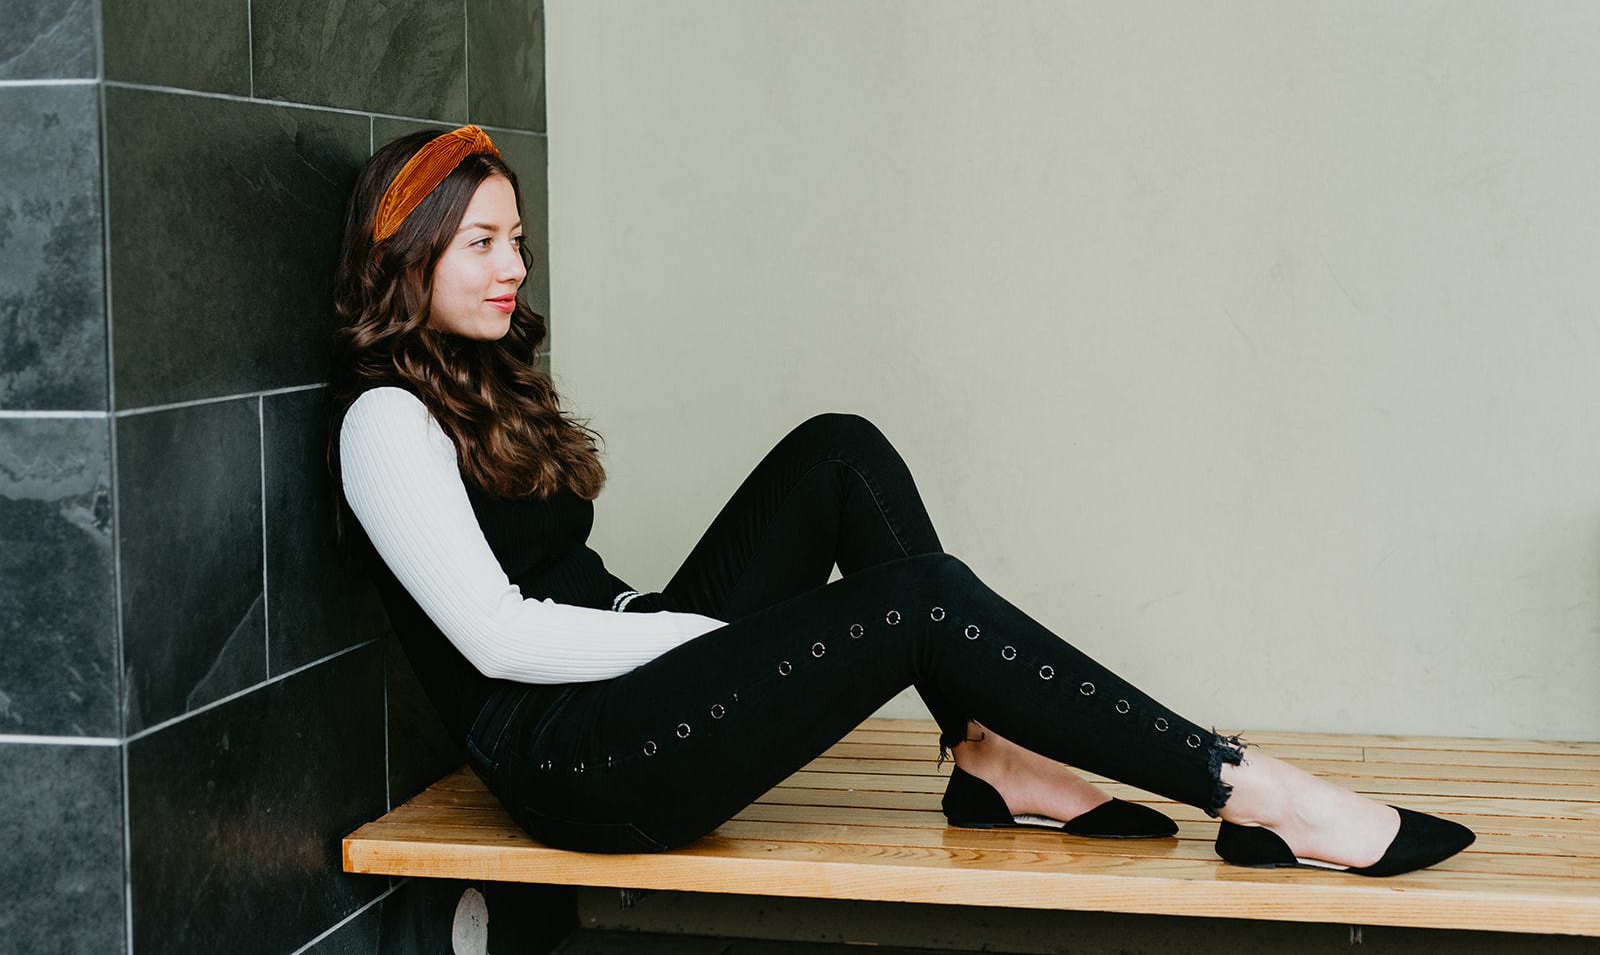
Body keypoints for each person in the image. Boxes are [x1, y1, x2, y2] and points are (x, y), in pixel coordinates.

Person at [325, 124, 1475, 875]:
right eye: (480, 242)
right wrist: (713, 639)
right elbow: (493, 633)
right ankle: (1257, 791)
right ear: (408, 254)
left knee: (838, 450)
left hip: (630, 668)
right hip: (575, 765)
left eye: (516, 237)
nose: (513, 264)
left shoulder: (471, 379)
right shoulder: (385, 419)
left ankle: (991, 758)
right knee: (917, 600)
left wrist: (683, 635)